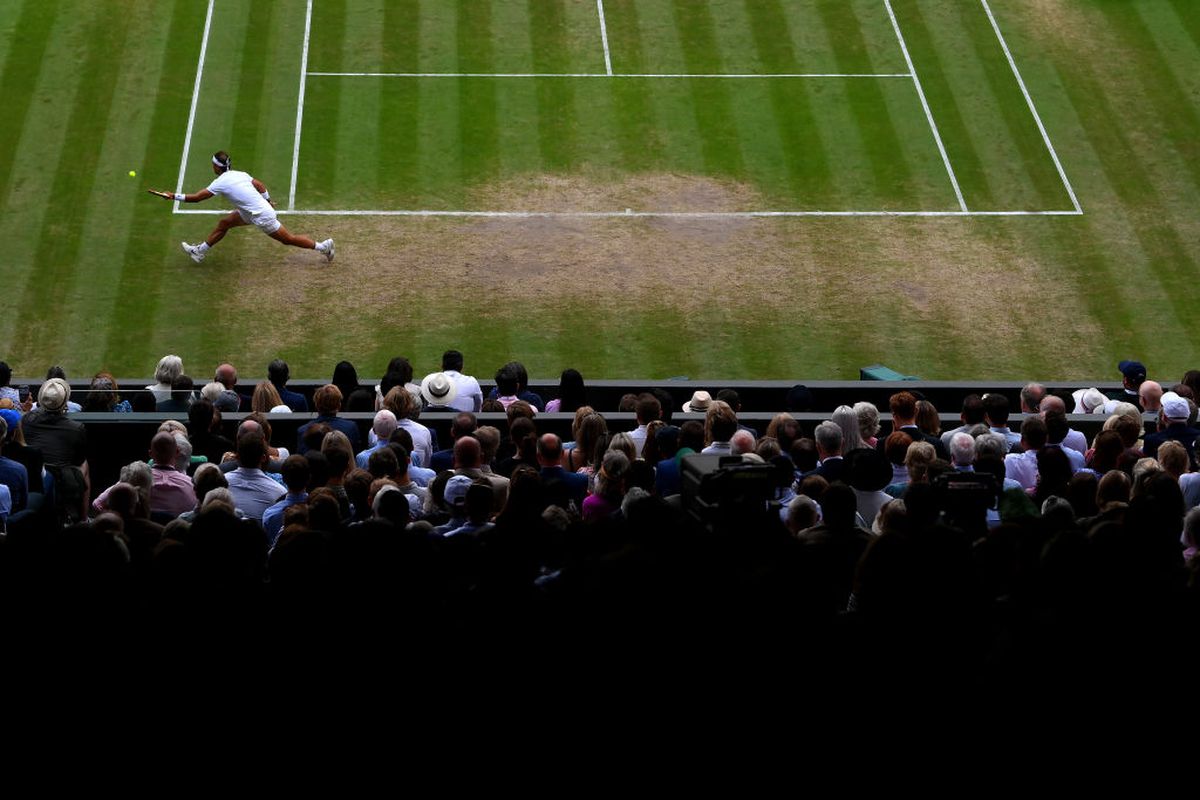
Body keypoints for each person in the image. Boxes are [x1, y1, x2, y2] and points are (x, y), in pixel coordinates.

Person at [150, 150, 333, 263]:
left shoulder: (220, 182)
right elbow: (260, 184)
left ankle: (322, 247)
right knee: (224, 223)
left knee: (288, 239)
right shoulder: (240, 174)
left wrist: (173, 196)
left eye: (213, 164)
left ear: (216, 167)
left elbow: (198, 198)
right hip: (252, 211)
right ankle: (199, 252)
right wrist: (267, 200)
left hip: (261, 215)